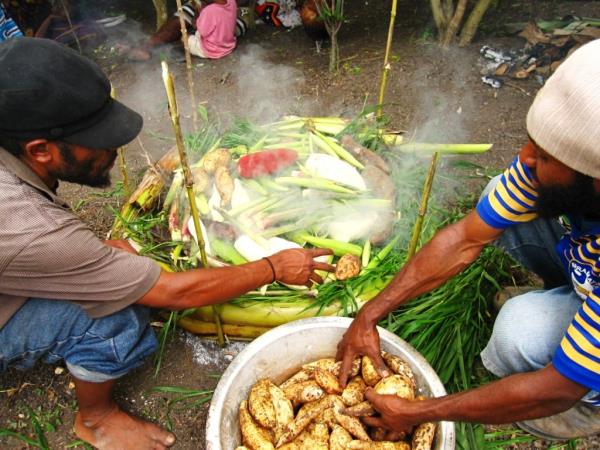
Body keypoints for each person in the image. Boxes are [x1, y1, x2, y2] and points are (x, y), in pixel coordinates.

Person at [0, 37, 334, 450]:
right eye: (98, 137)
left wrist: (96, 263)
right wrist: (274, 267)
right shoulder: (30, 225)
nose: (115, 147)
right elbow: (172, 292)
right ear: (40, 150)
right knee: (118, 314)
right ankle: (96, 420)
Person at [337, 38, 600, 441]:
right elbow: (462, 240)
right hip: (588, 246)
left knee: (517, 334)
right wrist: (370, 313)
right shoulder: (562, 168)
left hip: (568, 382)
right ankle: (574, 299)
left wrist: (419, 411)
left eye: (545, 157)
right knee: (499, 192)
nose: (525, 157)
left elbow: (554, 389)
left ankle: (591, 402)